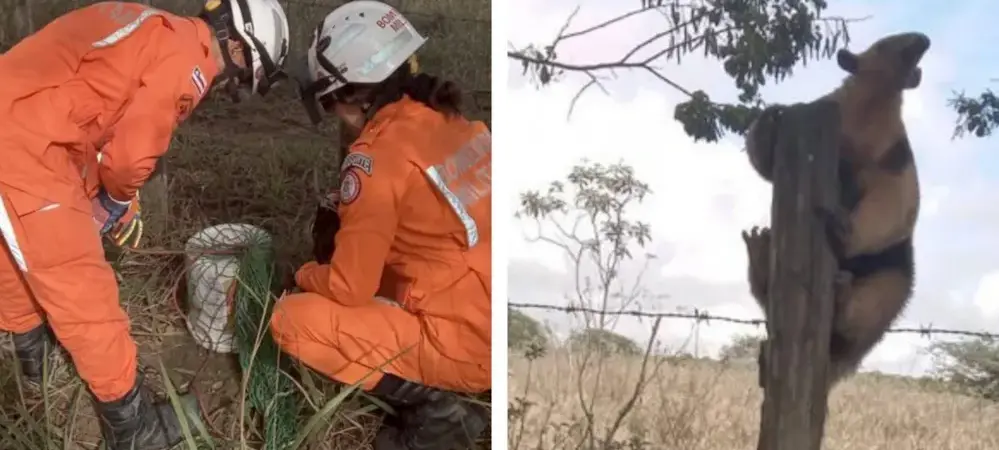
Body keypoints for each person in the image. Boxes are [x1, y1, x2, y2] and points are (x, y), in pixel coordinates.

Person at [0, 1, 290, 449]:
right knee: (85, 288)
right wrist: (114, 200)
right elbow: (133, 154)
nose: (233, 85)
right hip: (27, 146)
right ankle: (135, 430)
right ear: (238, 47)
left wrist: (109, 192)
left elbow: (86, 112)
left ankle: (30, 366)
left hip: (20, 118)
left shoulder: (154, 27)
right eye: (246, 73)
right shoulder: (190, 58)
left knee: (13, 250)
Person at [272, 1, 492, 449]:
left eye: (330, 100)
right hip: (486, 308)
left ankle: (438, 409)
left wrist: (303, 275)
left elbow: (350, 288)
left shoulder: (374, 158)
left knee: (291, 319)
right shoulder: (456, 123)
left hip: (464, 345)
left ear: (351, 95)